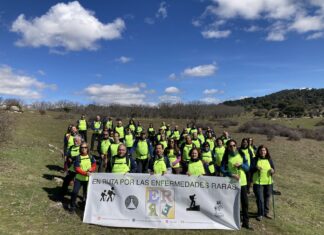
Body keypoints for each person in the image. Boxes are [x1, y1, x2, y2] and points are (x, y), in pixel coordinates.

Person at [221, 139, 252, 230]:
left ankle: (246, 222)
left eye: (234, 145)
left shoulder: (241, 154)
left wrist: (241, 165)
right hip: (232, 183)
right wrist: (231, 174)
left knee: (245, 203)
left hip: (242, 182)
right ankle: (233, 220)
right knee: (232, 202)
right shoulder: (226, 156)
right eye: (230, 146)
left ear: (236, 145)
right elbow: (222, 169)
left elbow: (247, 168)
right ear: (227, 147)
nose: (232, 147)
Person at [251, 145, 275, 221]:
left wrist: (272, 171)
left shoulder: (269, 159)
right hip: (258, 182)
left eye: (264, 150)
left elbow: (273, 169)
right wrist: (256, 168)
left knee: (267, 197)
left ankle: (266, 212)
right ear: (258, 151)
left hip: (268, 182)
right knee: (260, 199)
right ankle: (260, 214)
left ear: (266, 151)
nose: (262, 152)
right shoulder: (255, 159)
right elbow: (250, 169)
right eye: (261, 150)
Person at [70, 142, 96, 213]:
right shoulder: (78, 157)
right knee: (74, 192)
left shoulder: (91, 157)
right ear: (80, 149)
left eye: (85, 147)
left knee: (86, 193)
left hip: (88, 180)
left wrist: (91, 169)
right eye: (82, 147)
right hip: (79, 179)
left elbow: (94, 165)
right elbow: (77, 168)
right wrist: (85, 173)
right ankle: (72, 206)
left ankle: (84, 206)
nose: (83, 149)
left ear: (87, 148)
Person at [60, 135, 82, 200]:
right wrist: (67, 157)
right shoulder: (71, 147)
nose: (75, 142)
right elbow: (68, 153)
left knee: (78, 185)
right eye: (74, 140)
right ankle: (62, 193)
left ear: (80, 141)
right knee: (66, 180)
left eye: (77, 141)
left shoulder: (82, 148)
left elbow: (81, 156)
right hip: (72, 168)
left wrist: (72, 158)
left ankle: (80, 197)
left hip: (79, 169)